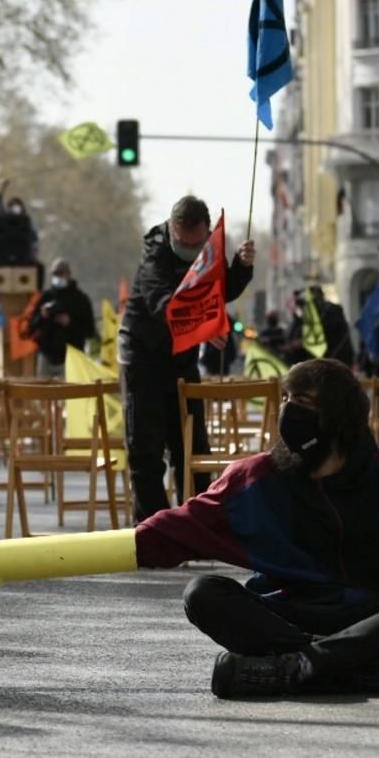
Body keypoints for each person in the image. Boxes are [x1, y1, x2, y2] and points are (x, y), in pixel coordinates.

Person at [135, 358, 379, 697]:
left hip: (371, 614)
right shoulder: (258, 477)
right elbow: (186, 523)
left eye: (304, 403)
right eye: (287, 399)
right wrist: (135, 542)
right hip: (290, 614)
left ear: (338, 418)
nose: (288, 412)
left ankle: (298, 666)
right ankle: (349, 665)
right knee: (203, 592)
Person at [118, 196, 256, 521]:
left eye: (195, 243)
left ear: (207, 232)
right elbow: (164, 305)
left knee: (192, 446)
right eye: (181, 243)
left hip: (182, 359)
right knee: (146, 449)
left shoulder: (210, 250)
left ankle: (196, 524)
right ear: (170, 230)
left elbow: (219, 291)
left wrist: (241, 265)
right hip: (142, 357)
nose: (188, 250)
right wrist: (205, 328)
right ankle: (153, 526)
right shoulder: (155, 251)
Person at [29, 257, 98, 376]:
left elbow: (89, 331)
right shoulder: (45, 296)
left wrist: (69, 323)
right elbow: (31, 326)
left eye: (61, 273)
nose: (58, 277)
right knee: (42, 393)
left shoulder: (80, 299)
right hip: (46, 356)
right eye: (55, 274)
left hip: (71, 356)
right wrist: (42, 316)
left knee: (69, 393)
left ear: (69, 274)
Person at [0, 179, 40, 271]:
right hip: (3, 257)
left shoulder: (28, 223)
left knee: (39, 268)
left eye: (17, 206)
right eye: (12, 206)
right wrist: (2, 189)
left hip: (24, 258)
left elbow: (35, 241)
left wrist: (35, 254)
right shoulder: (4, 220)